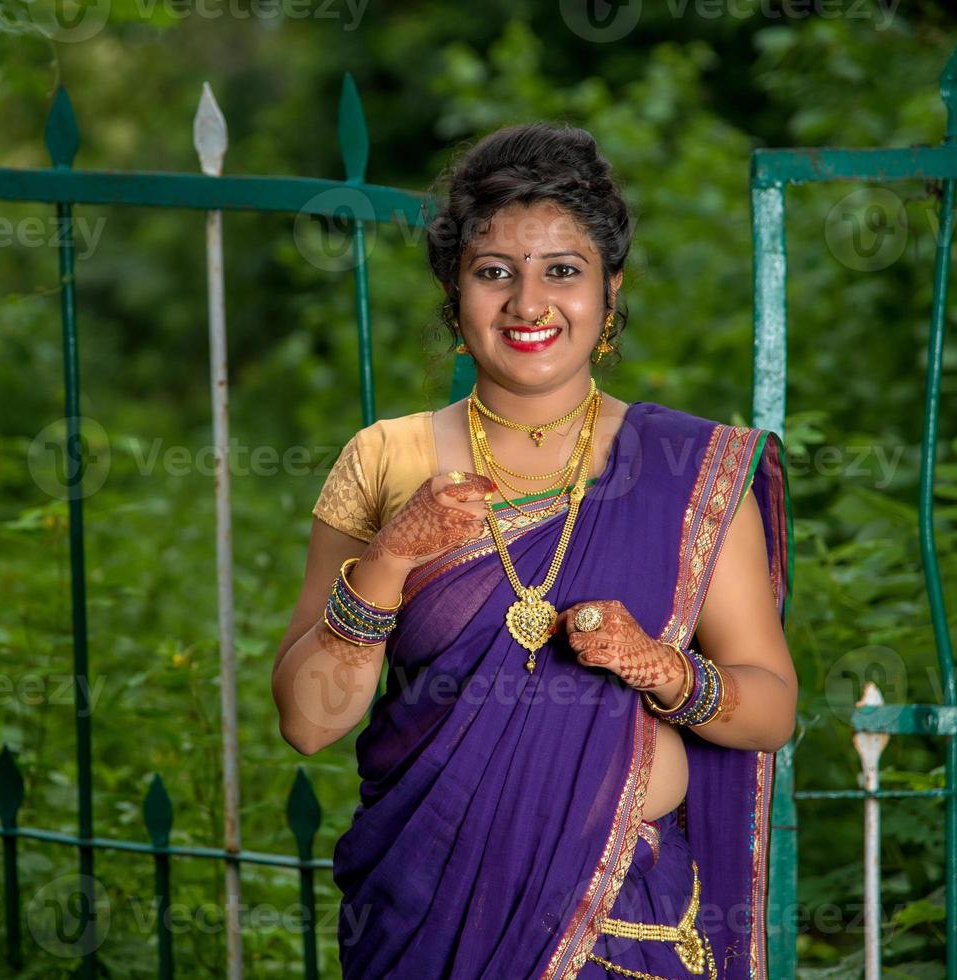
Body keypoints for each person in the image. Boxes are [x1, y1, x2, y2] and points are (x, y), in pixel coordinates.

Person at [271, 122, 796, 980]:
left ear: (609, 289)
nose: (528, 303)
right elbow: (307, 721)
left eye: (562, 270)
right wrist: (389, 564)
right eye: (493, 273)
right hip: (429, 918)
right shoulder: (386, 459)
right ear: (454, 289)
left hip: (626, 931)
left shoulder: (684, 469)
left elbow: (771, 708)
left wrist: (661, 668)